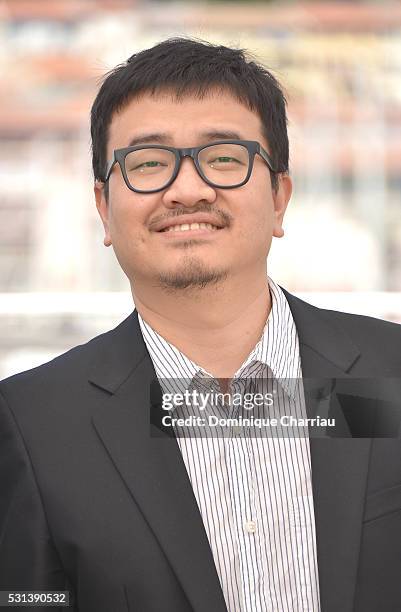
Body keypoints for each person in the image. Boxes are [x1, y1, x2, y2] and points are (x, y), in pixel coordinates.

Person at [0, 38, 400, 612]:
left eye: (224, 158)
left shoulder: (391, 374)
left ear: (280, 197)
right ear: (104, 209)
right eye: (147, 164)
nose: (188, 190)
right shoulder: (33, 424)